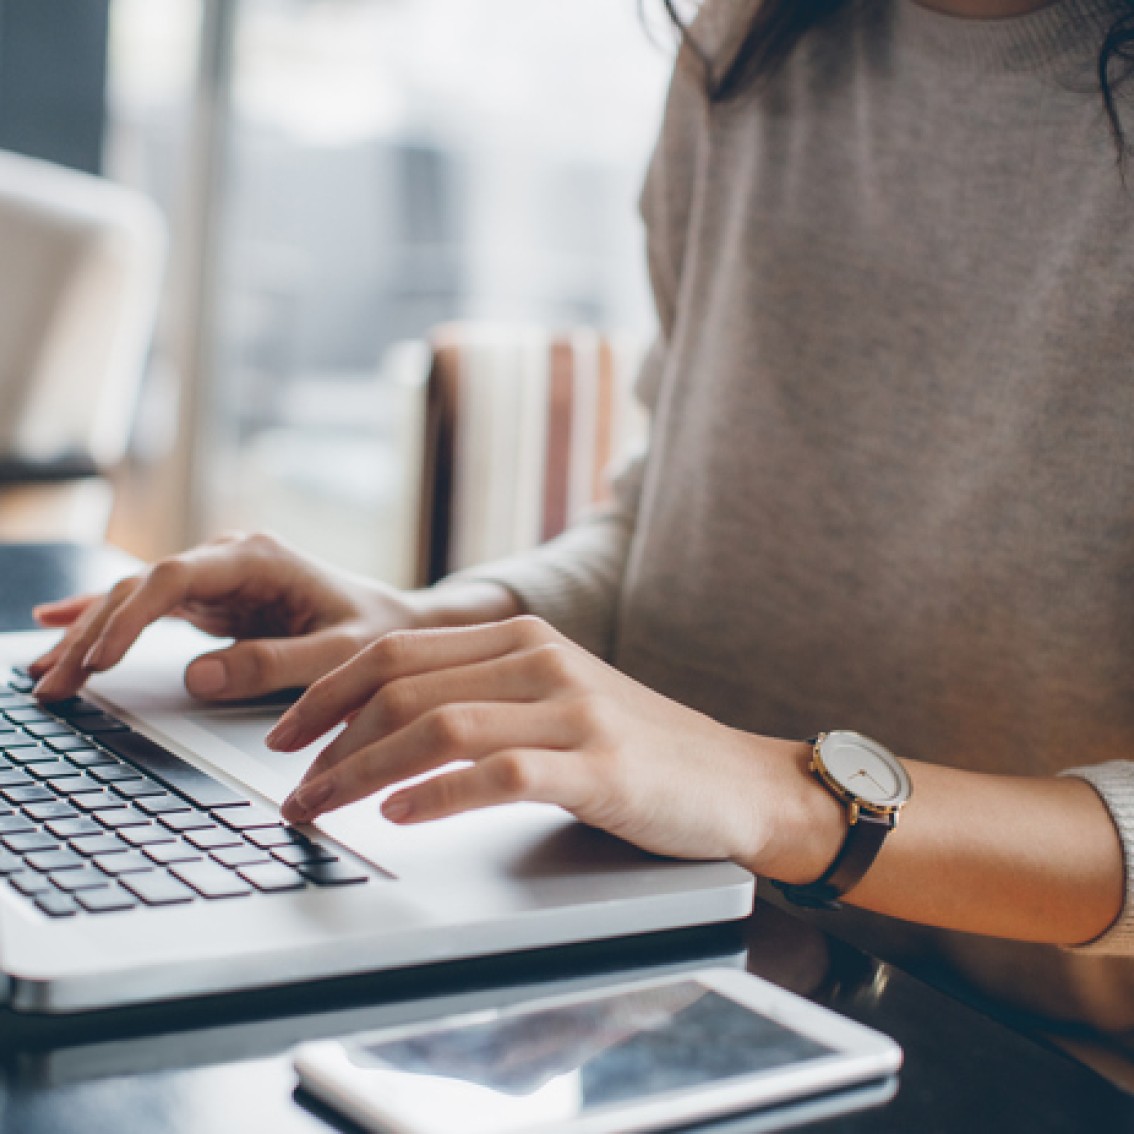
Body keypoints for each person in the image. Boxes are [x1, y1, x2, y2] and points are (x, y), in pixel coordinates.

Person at [28, 0, 1134, 1043]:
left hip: (1036, 1054)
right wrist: (436, 624)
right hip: (668, 950)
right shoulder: (752, 43)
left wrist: (777, 794)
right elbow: (672, 516)